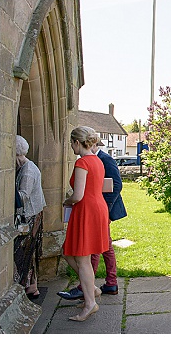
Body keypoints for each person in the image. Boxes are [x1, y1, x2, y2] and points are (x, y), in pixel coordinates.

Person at [58, 126, 110, 321]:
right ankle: (92, 290)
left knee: (82, 259)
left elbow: (78, 195)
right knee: (69, 253)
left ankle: (90, 303)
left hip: (86, 211)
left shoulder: (82, 163)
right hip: (97, 208)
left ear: (77, 142)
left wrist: (67, 201)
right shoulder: (97, 160)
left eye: (72, 143)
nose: (71, 147)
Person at [91, 140, 127, 295]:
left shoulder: (105, 159)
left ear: (94, 145)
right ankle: (110, 283)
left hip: (103, 209)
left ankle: (87, 286)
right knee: (105, 246)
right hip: (97, 209)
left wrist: (106, 210)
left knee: (96, 247)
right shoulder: (95, 159)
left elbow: (117, 185)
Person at [13, 135, 45, 299]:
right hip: (29, 215)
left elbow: (23, 196)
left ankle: (30, 286)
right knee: (27, 253)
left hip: (30, 216)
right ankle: (31, 286)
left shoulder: (28, 170)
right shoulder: (24, 167)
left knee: (25, 252)